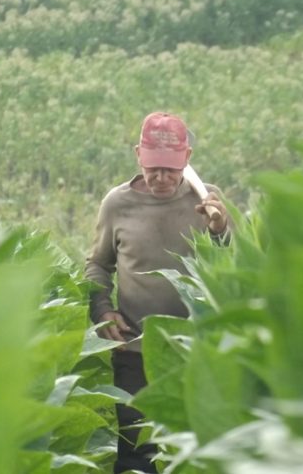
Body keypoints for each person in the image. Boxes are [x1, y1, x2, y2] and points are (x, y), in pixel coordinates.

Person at [84, 112, 230, 474]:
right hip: (136, 350)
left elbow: (232, 267)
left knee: (197, 451)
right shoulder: (117, 204)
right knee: (137, 454)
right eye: (154, 168)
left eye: (170, 169)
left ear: (187, 159)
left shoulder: (207, 201)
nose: (162, 178)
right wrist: (103, 310)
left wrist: (220, 229)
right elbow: (98, 265)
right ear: (138, 156)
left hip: (195, 349)